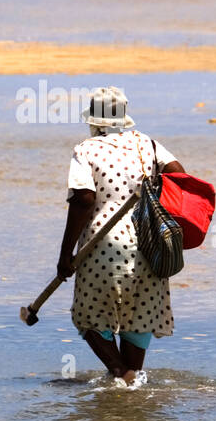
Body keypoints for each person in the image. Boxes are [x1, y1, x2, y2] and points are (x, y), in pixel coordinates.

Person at [58, 87, 184, 386]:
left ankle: (122, 373)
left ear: (95, 119)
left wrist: (65, 256)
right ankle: (130, 387)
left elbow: (84, 199)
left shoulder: (86, 149)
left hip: (103, 245)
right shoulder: (149, 145)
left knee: (89, 317)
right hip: (149, 243)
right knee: (138, 318)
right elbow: (179, 174)